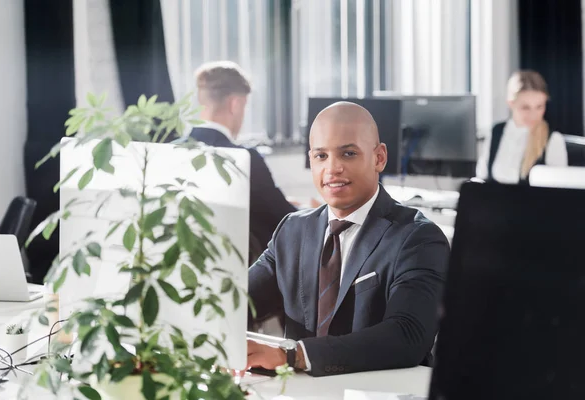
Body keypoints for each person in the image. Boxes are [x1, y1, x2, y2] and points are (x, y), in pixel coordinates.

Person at [246, 102, 450, 377]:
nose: (332, 168)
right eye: (321, 156)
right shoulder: (292, 231)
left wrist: (295, 356)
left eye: (349, 153)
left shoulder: (418, 238)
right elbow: (239, 301)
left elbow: (407, 335)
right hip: (301, 393)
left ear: (379, 157)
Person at [180, 61, 296, 262]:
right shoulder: (245, 158)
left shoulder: (171, 150)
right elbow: (285, 220)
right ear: (235, 104)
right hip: (238, 269)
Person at [476, 70, 568, 184]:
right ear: (511, 103)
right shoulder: (496, 132)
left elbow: (560, 191)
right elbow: (481, 177)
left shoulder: (553, 140)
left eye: (539, 107)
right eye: (525, 107)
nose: (533, 115)